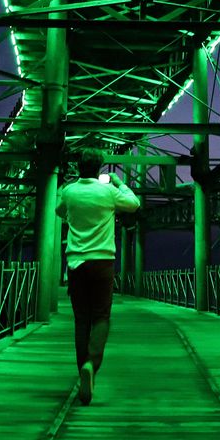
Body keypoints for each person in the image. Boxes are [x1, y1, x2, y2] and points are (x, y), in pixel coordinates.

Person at [55, 148, 139, 404]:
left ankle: (83, 368)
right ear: (100, 167)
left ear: (78, 166)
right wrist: (118, 182)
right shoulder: (107, 192)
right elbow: (134, 204)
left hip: (76, 263)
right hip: (103, 262)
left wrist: (69, 191)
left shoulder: (69, 192)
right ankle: (92, 365)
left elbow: (59, 210)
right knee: (101, 316)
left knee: (82, 319)